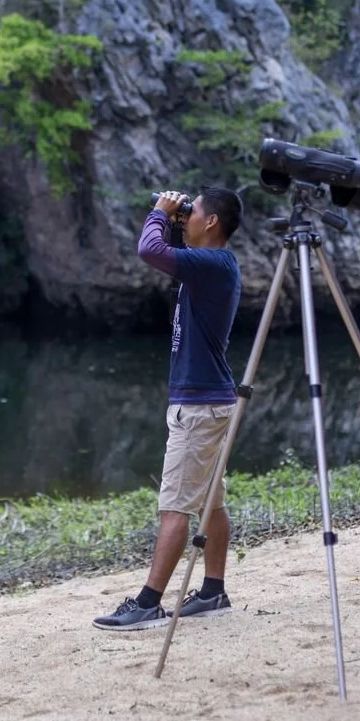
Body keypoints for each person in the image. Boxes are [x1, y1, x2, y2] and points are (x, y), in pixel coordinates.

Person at [93, 186, 244, 631]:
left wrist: (159, 212)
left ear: (212, 221)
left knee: (176, 505)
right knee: (209, 504)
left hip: (199, 406)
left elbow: (149, 250)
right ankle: (214, 591)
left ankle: (148, 603)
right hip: (209, 400)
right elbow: (170, 255)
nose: (187, 214)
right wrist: (179, 221)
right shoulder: (212, 266)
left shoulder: (213, 264)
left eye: (194, 211)